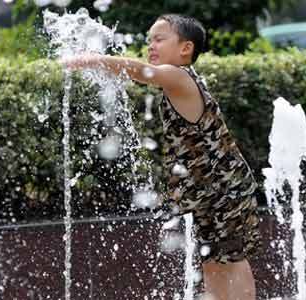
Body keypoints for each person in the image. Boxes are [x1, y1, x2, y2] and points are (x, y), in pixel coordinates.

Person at [61, 14, 261, 300]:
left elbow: (142, 71)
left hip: (225, 190)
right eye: (149, 40)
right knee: (212, 262)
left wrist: (91, 58)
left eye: (159, 39)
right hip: (208, 193)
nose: (151, 45)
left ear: (185, 48)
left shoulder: (179, 77)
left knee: (232, 259)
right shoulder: (176, 82)